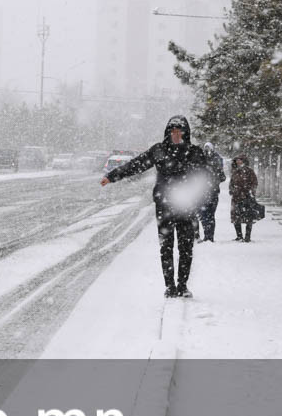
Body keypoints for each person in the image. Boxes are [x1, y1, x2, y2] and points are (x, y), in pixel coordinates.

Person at [101, 115, 212, 298]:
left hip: (187, 206)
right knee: (166, 247)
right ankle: (170, 286)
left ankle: (182, 285)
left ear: (186, 133)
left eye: (180, 131)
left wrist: (202, 197)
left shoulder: (194, 152)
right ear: (168, 133)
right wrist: (112, 176)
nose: (176, 135)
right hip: (165, 205)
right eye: (173, 131)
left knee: (186, 248)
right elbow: (136, 164)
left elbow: (205, 178)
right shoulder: (159, 150)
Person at [198, 141, 226, 242]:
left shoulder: (217, 159)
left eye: (208, 148)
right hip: (202, 193)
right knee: (203, 215)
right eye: (205, 148)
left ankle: (210, 236)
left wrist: (214, 179)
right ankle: (207, 235)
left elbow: (222, 177)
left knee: (210, 215)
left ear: (212, 149)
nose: (207, 150)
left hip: (213, 192)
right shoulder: (201, 159)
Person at [230, 155, 259, 242]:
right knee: (236, 217)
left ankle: (247, 236)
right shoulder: (235, 171)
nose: (238, 162)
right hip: (236, 197)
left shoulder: (249, 171)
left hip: (247, 197)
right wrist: (232, 190)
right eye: (237, 160)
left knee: (249, 217)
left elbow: (254, 182)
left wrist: (250, 192)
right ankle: (239, 236)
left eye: (240, 160)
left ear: (244, 161)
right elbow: (232, 183)